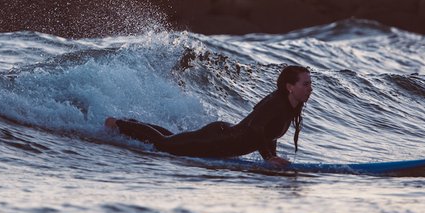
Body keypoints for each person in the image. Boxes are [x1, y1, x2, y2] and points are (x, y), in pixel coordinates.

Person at [105, 65, 312, 168]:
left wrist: (270, 159)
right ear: (290, 87)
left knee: (173, 140)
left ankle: (133, 123)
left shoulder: (288, 106)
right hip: (217, 140)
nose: (310, 89)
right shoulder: (277, 103)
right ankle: (119, 124)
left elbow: (267, 134)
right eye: (305, 84)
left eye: (310, 84)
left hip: (222, 138)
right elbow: (256, 128)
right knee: (164, 145)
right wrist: (269, 157)